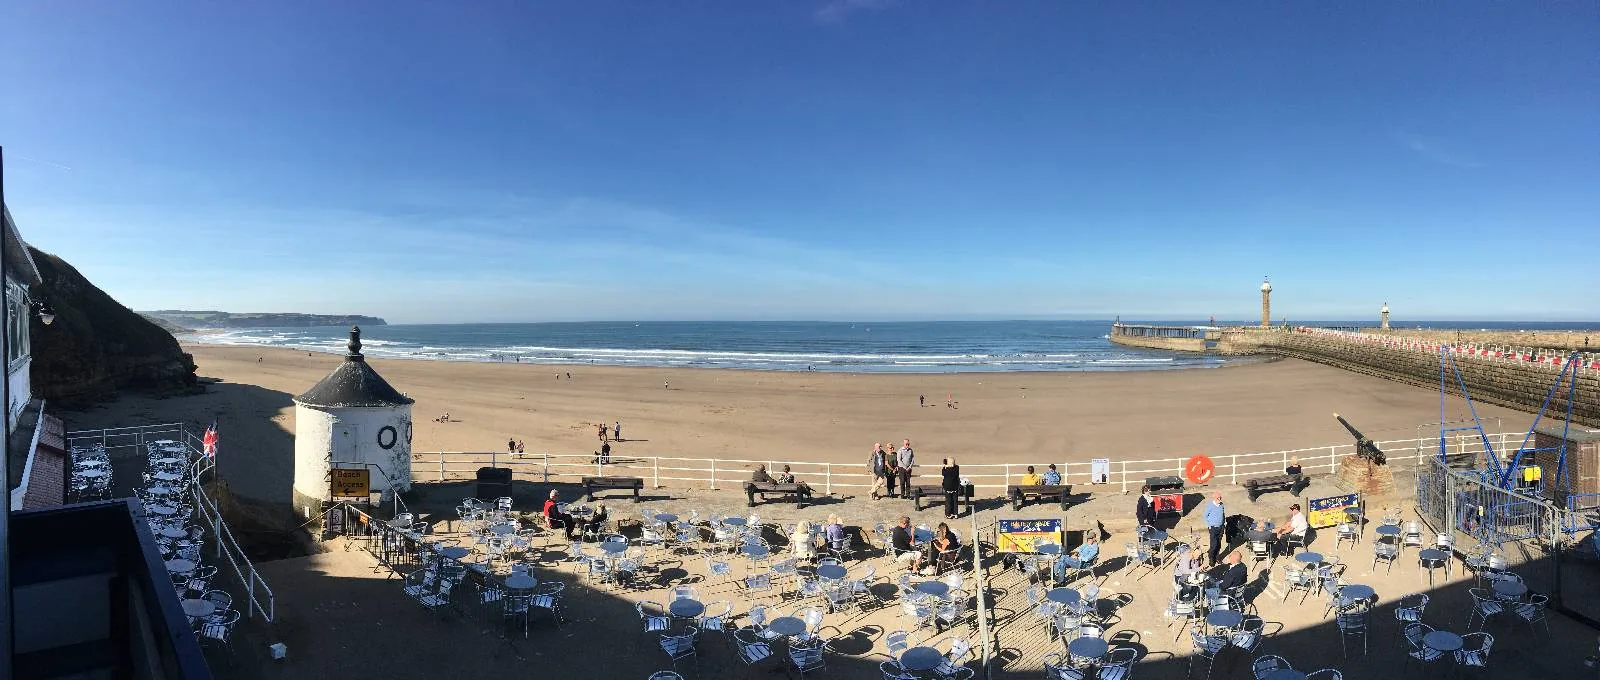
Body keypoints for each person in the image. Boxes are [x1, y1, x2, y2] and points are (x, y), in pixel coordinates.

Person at [1203, 492, 1227, 567]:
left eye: (1220, 497)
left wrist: (1224, 522)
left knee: (1219, 543)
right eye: (1218, 498)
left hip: (1221, 527)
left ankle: (1217, 557)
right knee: (1214, 544)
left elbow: (1223, 514)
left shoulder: (1221, 505)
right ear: (1214, 498)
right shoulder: (1210, 506)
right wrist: (1209, 526)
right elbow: (1204, 516)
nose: (1219, 499)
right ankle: (1211, 559)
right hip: (1213, 527)